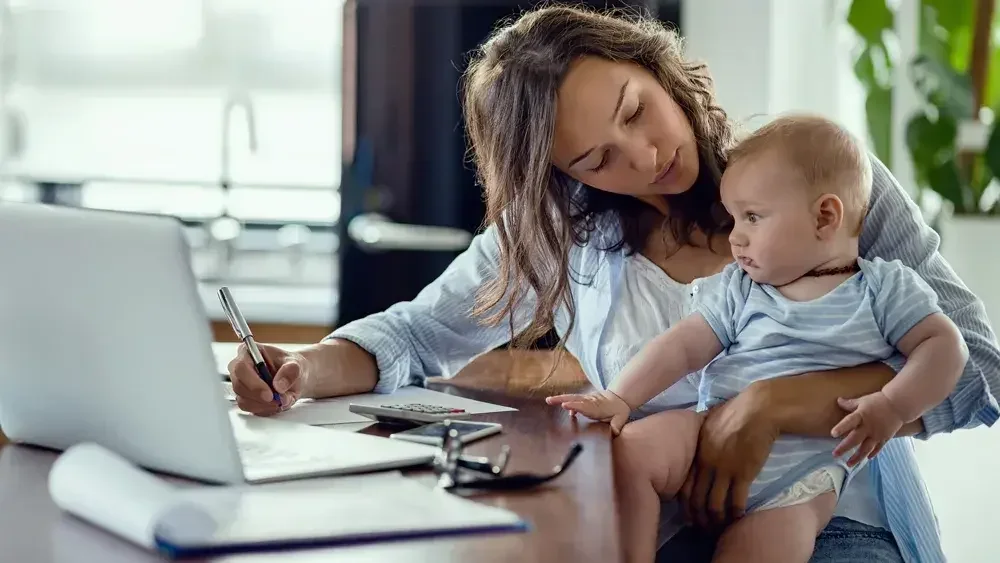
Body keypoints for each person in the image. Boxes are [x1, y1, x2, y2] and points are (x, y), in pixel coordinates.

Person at [227, 5, 1000, 562]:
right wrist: (300, 369)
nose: (644, 154)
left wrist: (768, 406)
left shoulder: (820, 181)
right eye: (596, 158)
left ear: (655, 66)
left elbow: (980, 374)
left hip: (833, 523)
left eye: (636, 110)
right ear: (564, 176)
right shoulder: (566, 230)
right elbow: (414, 334)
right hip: (655, 528)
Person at [545, 115, 969, 563]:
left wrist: (894, 405)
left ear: (825, 216)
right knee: (629, 454)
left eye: (752, 217)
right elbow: (683, 346)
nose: (735, 237)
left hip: (800, 484)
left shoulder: (883, 289)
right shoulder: (743, 288)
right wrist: (621, 398)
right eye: (732, 219)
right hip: (708, 432)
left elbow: (947, 346)